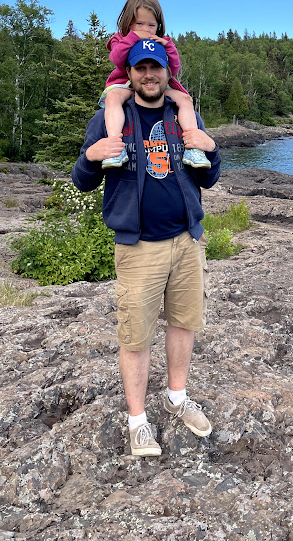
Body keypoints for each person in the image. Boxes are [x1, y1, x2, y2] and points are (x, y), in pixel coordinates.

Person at [72, 38, 221, 456]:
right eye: (141, 68)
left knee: (182, 323)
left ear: (166, 72)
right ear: (130, 73)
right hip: (138, 249)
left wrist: (213, 149)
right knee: (135, 337)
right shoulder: (110, 116)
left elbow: (208, 178)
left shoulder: (182, 113)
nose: (149, 75)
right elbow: (83, 179)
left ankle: (176, 397)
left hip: (187, 241)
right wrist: (90, 157)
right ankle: (137, 421)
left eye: (156, 68)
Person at [100, 0, 210, 171]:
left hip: (158, 88)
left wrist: (169, 47)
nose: (145, 29)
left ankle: (194, 147)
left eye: (151, 25)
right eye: (140, 24)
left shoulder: (162, 41)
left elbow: (172, 70)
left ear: (158, 25)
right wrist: (134, 38)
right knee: (112, 98)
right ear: (128, 23)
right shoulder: (121, 39)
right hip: (126, 85)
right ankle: (115, 148)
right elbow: (117, 59)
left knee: (185, 99)